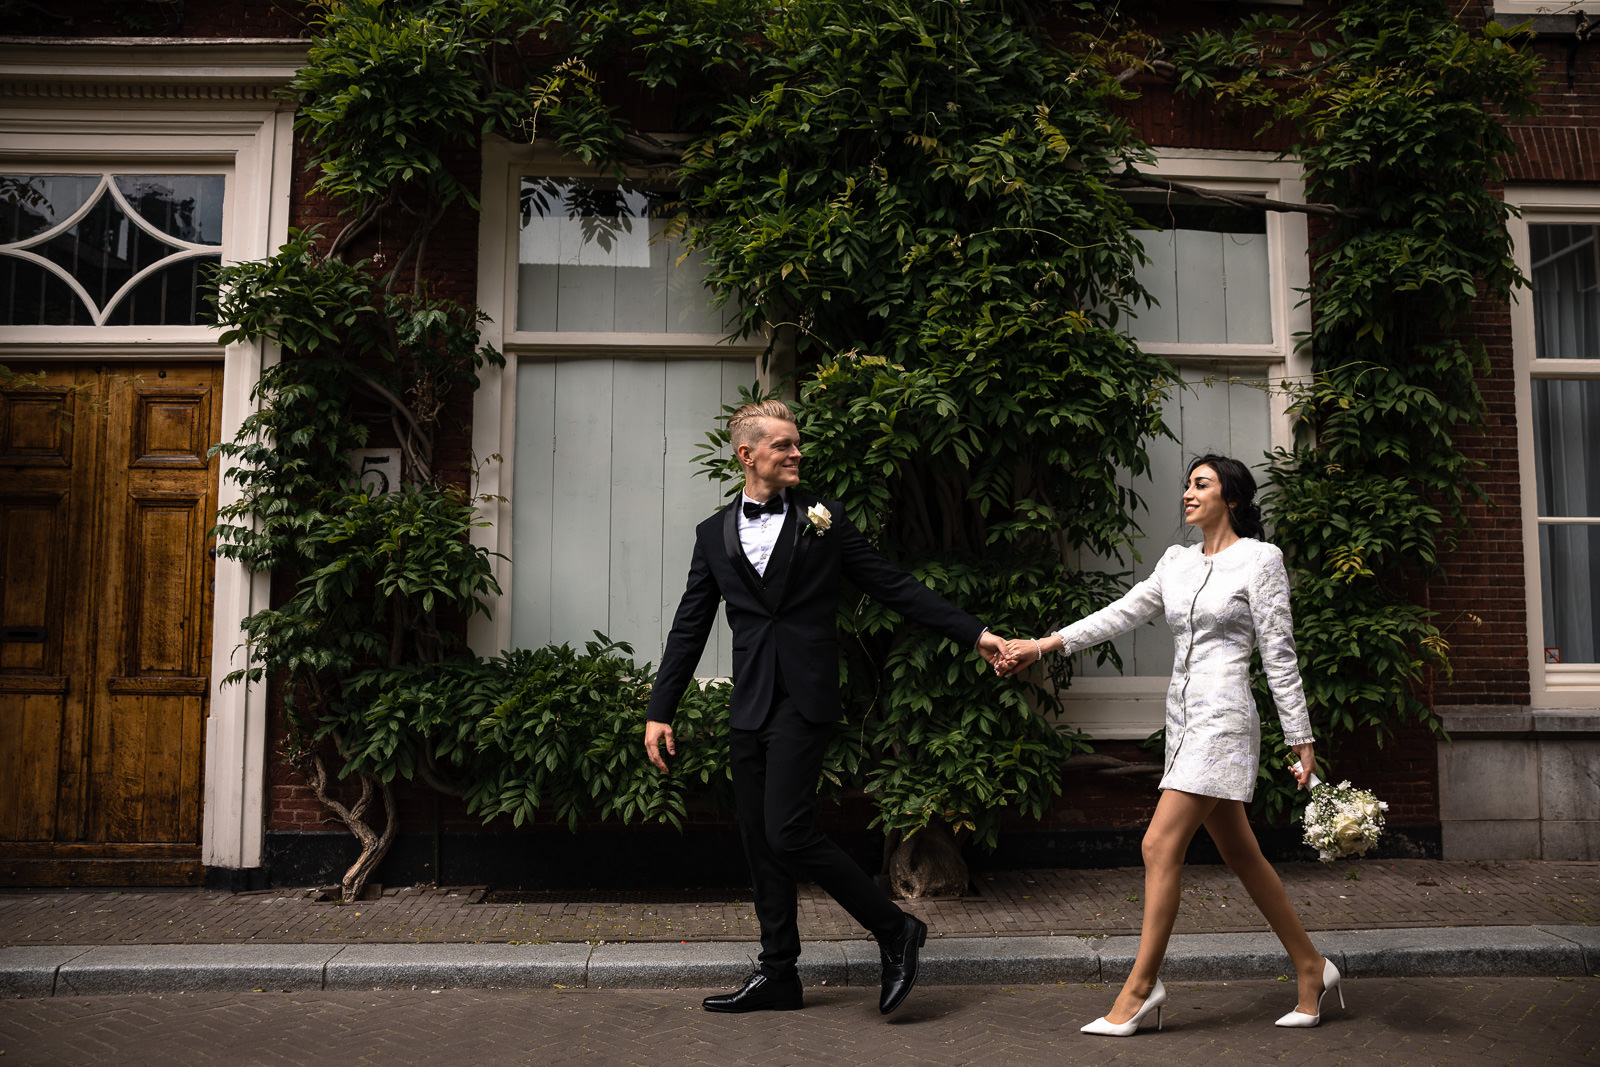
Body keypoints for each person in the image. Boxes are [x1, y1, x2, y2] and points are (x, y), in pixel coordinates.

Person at [645, 399, 1008, 1016]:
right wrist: (661, 708)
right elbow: (690, 626)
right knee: (760, 840)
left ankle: (894, 930)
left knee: (787, 830)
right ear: (748, 455)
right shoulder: (713, 535)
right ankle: (779, 973)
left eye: (796, 443)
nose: (796, 453)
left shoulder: (824, 519)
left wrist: (976, 635)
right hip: (749, 704)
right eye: (783, 445)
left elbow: (894, 586)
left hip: (803, 699)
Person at [997, 455, 1342, 1035]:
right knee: (1242, 854)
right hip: (1182, 725)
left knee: (1159, 845)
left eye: (1200, 484)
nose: (1187, 493)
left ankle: (1140, 987)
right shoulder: (1177, 563)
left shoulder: (1260, 560)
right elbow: (1122, 614)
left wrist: (1300, 736)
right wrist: (1041, 645)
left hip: (1225, 721)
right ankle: (1312, 966)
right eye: (1186, 484)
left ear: (1230, 497)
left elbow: (1279, 655)